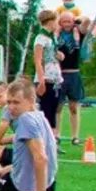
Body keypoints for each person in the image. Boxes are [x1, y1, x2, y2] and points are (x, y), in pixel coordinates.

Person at [0, 79, 58, 191]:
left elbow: (41, 158)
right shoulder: (40, 116)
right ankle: (0, 171)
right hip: (49, 184)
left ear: (31, 101)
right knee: (1, 171)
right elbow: (29, 158)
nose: (11, 107)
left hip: (27, 187)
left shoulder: (25, 119)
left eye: (16, 102)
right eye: (9, 102)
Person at [55, 11, 89, 145]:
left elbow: (87, 21)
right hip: (60, 73)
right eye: (64, 22)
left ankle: (75, 136)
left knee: (74, 107)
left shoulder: (78, 32)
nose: (67, 24)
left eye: (69, 21)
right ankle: (56, 134)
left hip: (74, 73)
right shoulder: (56, 35)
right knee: (58, 106)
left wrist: (77, 19)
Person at [32, 10, 63, 142]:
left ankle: (53, 138)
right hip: (47, 77)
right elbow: (38, 60)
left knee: (54, 109)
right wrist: (41, 80)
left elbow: (52, 54)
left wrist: (59, 55)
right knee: (46, 109)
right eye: (56, 21)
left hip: (55, 77)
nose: (57, 24)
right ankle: (45, 139)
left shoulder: (52, 38)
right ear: (50, 21)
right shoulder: (41, 38)